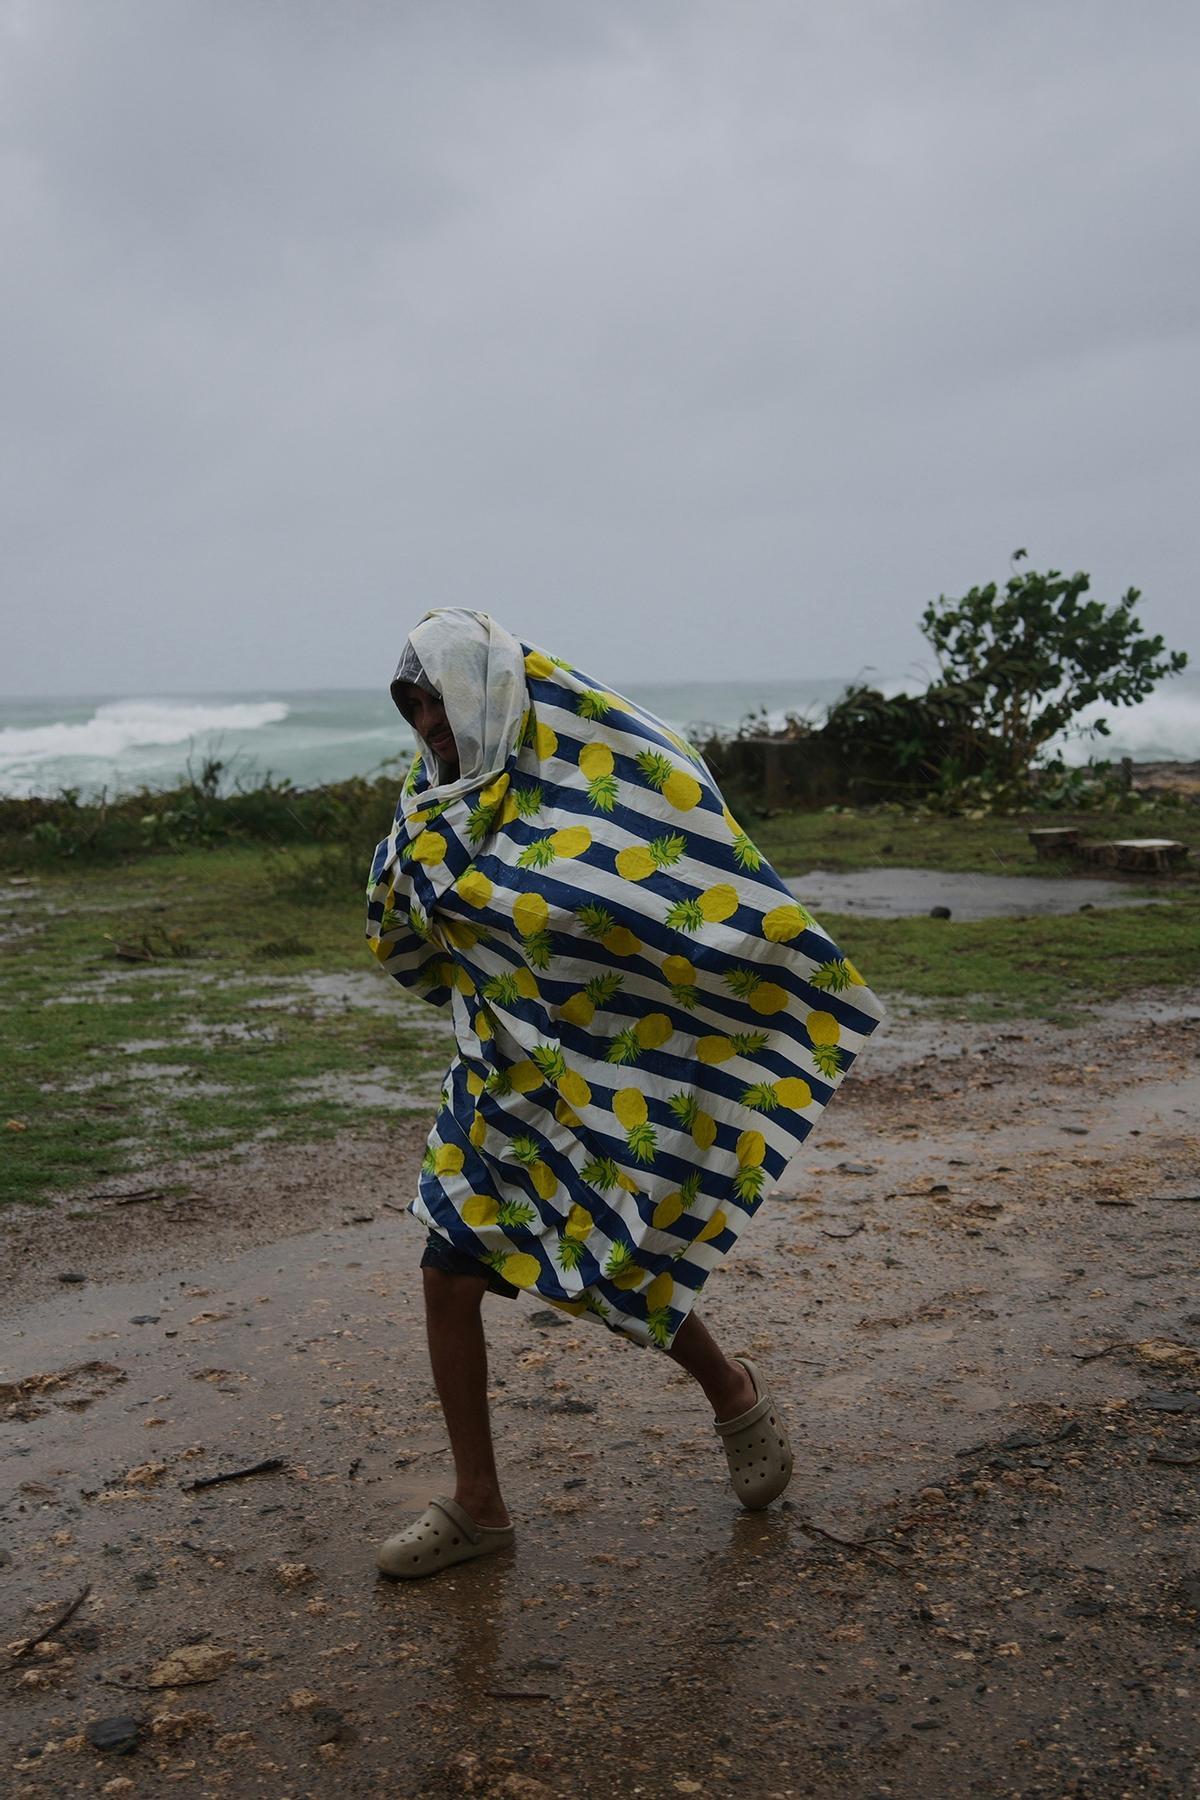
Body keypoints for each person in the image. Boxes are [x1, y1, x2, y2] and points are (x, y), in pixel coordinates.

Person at [366, 609, 883, 1578]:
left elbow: (658, 882)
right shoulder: (431, 803)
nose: (430, 722)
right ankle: (479, 1506)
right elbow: (407, 924)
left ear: (483, 690)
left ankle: (734, 1394)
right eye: (415, 706)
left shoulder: (584, 789)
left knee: (617, 1252)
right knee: (447, 1271)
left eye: (440, 700)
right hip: (493, 1079)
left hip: (589, 1074)